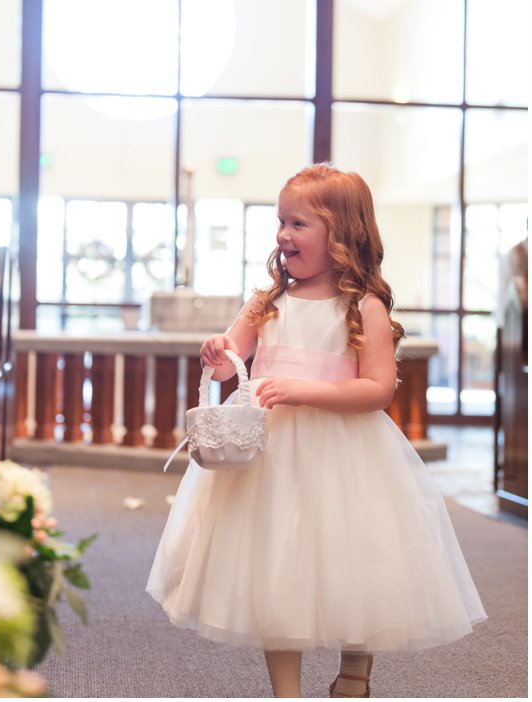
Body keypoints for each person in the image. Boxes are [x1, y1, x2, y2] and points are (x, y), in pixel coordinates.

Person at [146, 165, 485, 698]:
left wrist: (306, 391)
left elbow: (377, 389)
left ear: (342, 232)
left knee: (359, 554)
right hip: (271, 456)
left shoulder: (363, 308)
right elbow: (231, 359)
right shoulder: (265, 302)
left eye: (298, 224)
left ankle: (354, 672)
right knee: (275, 568)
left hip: (347, 452)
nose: (283, 235)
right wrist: (216, 350)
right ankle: (288, 691)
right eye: (281, 222)